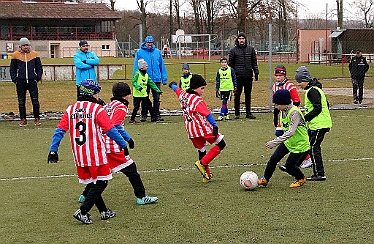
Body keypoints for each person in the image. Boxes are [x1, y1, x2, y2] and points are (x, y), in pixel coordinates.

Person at [47, 79, 131, 224]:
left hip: (79, 155)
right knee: (102, 182)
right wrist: (123, 143)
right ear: (92, 93)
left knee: (93, 182)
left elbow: (60, 130)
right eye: (97, 91)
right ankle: (83, 211)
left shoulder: (71, 109)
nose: (98, 94)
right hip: (95, 153)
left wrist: (53, 150)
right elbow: (110, 129)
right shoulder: (97, 109)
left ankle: (104, 211)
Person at [78, 82, 158, 205]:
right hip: (113, 144)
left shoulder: (109, 105)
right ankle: (141, 196)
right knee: (132, 170)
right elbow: (115, 125)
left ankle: (85, 195)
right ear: (126, 95)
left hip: (103, 143)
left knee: (100, 173)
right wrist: (127, 139)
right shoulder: (121, 106)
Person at [169, 74, 226, 183]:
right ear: (195, 88)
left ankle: (206, 176)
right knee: (221, 144)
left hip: (190, 130)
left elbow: (177, 90)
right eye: (202, 88)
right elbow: (207, 114)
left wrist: (172, 85)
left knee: (202, 151)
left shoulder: (183, 95)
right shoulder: (197, 100)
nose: (203, 91)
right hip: (201, 127)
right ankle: (202, 163)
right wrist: (214, 126)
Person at [257, 89, 310, 188]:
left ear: (284, 103)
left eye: (277, 104)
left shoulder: (295, 113)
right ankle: (265, 179)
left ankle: (301, 178)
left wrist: (274, 142)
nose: (276, 107)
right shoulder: (283, 111)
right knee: (273, 159)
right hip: (289, 142)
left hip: (300, 144)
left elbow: (291, 132)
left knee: (289, 166)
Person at [271, 65, 312, 169]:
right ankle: (294, 157)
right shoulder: (274, 86)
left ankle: (306, 157)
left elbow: (296, 100)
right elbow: (276, 103)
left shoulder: (290, 86)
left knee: (289, 135)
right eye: (276, 75)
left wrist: (293, 114)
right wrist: (276, 116)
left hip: (291, 115)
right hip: (282, 114)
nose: (278, 77)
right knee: (279, 133)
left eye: (280, 75)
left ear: (284, 76)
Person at [296, 66, 332, 181]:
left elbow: (318, 108)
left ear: (306, 80)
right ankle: (293, 166)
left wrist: (304, 118)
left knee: (313, 147)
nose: (298, 84)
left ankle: (319, 173)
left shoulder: (313, 91)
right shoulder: (313, 90)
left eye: (300, 81)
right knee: (307, 144)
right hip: (316, 124)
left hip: (319, 125)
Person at [10, 37, 43, 127]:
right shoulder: (15, 55)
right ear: (20, 46)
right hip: (20, 81)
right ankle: (23, 119)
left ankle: (37, 118)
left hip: (32, 81)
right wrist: (15, 79)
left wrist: (37, 78)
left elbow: (39, 67)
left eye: (27, 45)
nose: (26, 47)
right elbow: (12, 69)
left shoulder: (35, 54)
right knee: (21, 101)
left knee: (35, 100)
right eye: (24, 45)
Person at [134, 36, 167, 122]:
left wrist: (164, 78)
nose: (150, 44)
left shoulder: (157, 52)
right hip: (145, 79)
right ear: (145, 43)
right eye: (148, 42)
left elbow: (161, 66)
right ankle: (144, 115)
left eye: (151, 42)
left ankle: (156, 114)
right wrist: (136, 77)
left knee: (157, 98)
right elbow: (136, 66)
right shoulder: (140, 52)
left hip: (156, 79)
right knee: (145, 97)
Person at [228, 32, 259, 119]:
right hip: (238, 77)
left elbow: (254, 62)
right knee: (237, 95)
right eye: (240, 38)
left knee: (248, 94)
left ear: (245, 40)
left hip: (248, 76)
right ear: (237, 40)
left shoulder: (251, 49)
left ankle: (248, 113)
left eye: (243, 38)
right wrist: (232, 76)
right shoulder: (233, 51)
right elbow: (230, 64)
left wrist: (256, 72)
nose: (241, 40)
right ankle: (237, 113)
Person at [130, 59, 162, 124]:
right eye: (146, 66)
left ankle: (153, 117)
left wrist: (157, 90)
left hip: (144, 94)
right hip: (137, 94)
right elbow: (134, 82)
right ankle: (132, 119)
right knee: (136, 107)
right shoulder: (137, 74)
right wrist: (138, 87)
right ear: (142, 67)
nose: (147, 67)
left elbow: (151, 83)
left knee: (149, 105)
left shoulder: (146, 75)